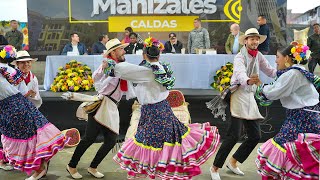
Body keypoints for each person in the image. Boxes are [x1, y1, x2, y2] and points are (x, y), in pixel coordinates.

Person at [111, 37, 220, 179]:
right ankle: (153, 170)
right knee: (167, 143)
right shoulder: (161, 67)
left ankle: (145, 172)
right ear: (159, 55)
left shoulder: (146, 71)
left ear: (144, 55)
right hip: (162, 109)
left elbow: (119, 69)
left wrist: (110, 60)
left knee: (150, 143)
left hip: (153, 112)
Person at [209, 28, 277, 180]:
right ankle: (214, 168)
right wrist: (248, 80)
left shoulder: (259, 55)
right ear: (245, 41)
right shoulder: (239, 57)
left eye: (257, 39)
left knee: (255, 136)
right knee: (234, 135)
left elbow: (271, 71)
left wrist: (287, 68)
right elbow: (240, 74)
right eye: (252, 39)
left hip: (249, 96)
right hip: (238, 94)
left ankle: (233, 162)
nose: (255, 41)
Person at [63, 38, 132, 179]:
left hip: (111, 106)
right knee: (89, 138)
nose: (124, 51)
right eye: (121, 49)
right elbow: (97, 80)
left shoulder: (121, 66)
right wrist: (106, 68)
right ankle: (71, 165)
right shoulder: (107, 66)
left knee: (111, 140)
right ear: (113, 53)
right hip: (101, 105)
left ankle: (93, 167)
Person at [0, 45, 68, 180]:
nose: (26, 64)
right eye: (22, 62)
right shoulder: (12, 71)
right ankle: (40, 168)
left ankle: (40, 169)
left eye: (28, 62)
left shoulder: (11, 72)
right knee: (33, 137)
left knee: (29, 139)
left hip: (14, 108)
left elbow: (24, 93)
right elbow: (23, 92)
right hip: (19, 106)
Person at [255, 43, 320, 179]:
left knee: (282, 146)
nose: (276, 61)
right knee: (294, 151)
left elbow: (275, 92)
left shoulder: (293, 74)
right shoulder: (296, 71)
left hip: (303, 118)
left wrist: (260, 86)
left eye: (278, 57)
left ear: (286, 58)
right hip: (303, 116)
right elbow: (276, 79)